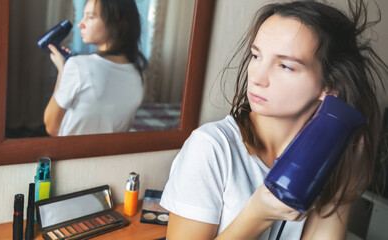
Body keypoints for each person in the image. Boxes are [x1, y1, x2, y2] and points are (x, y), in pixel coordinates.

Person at [160, 0, 388, 239]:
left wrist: (345, 188)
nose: (257, 77)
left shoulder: (323, 158)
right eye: (256, 56)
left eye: (285, 66)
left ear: (329, 86)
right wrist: (257, 215)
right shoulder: (211, 148)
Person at [44, 0, 147, 136]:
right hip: (111, 155)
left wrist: (62, 72)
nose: (81, 24)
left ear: (117, 22)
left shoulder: (78, 66)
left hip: (74, 155)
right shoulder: (139, 74)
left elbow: (52, 127)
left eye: (91, 17)